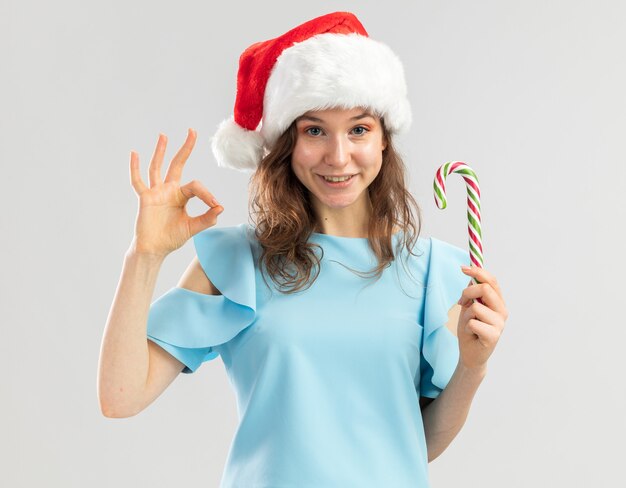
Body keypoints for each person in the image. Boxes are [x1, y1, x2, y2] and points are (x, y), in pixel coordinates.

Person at [97, 11, 508, 487]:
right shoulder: (236, 263)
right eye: (314, 130)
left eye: (358, 129)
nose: (338, 156)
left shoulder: (438, 272)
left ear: (383, 142)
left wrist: (473, 368)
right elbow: (120, 396)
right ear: (286, 144)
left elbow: (417, 443)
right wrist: (143, 257)